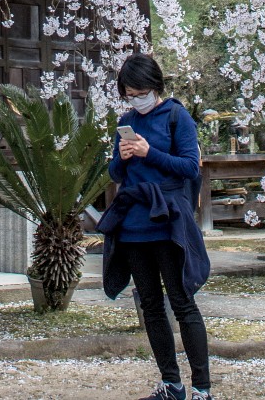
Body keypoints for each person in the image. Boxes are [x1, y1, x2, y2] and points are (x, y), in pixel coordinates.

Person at [99, 53, 212, 400]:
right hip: (133, 223)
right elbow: (116, 174)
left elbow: (191, 168)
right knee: (150, 304)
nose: (135, 100)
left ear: (156, 87)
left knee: (181, 301)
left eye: (140, 92)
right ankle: (171, 383)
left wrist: (150, 153)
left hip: (167, 221)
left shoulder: (177, 117)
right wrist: (123, 157)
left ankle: (202, 389)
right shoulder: (126, 120)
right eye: (129, 94)